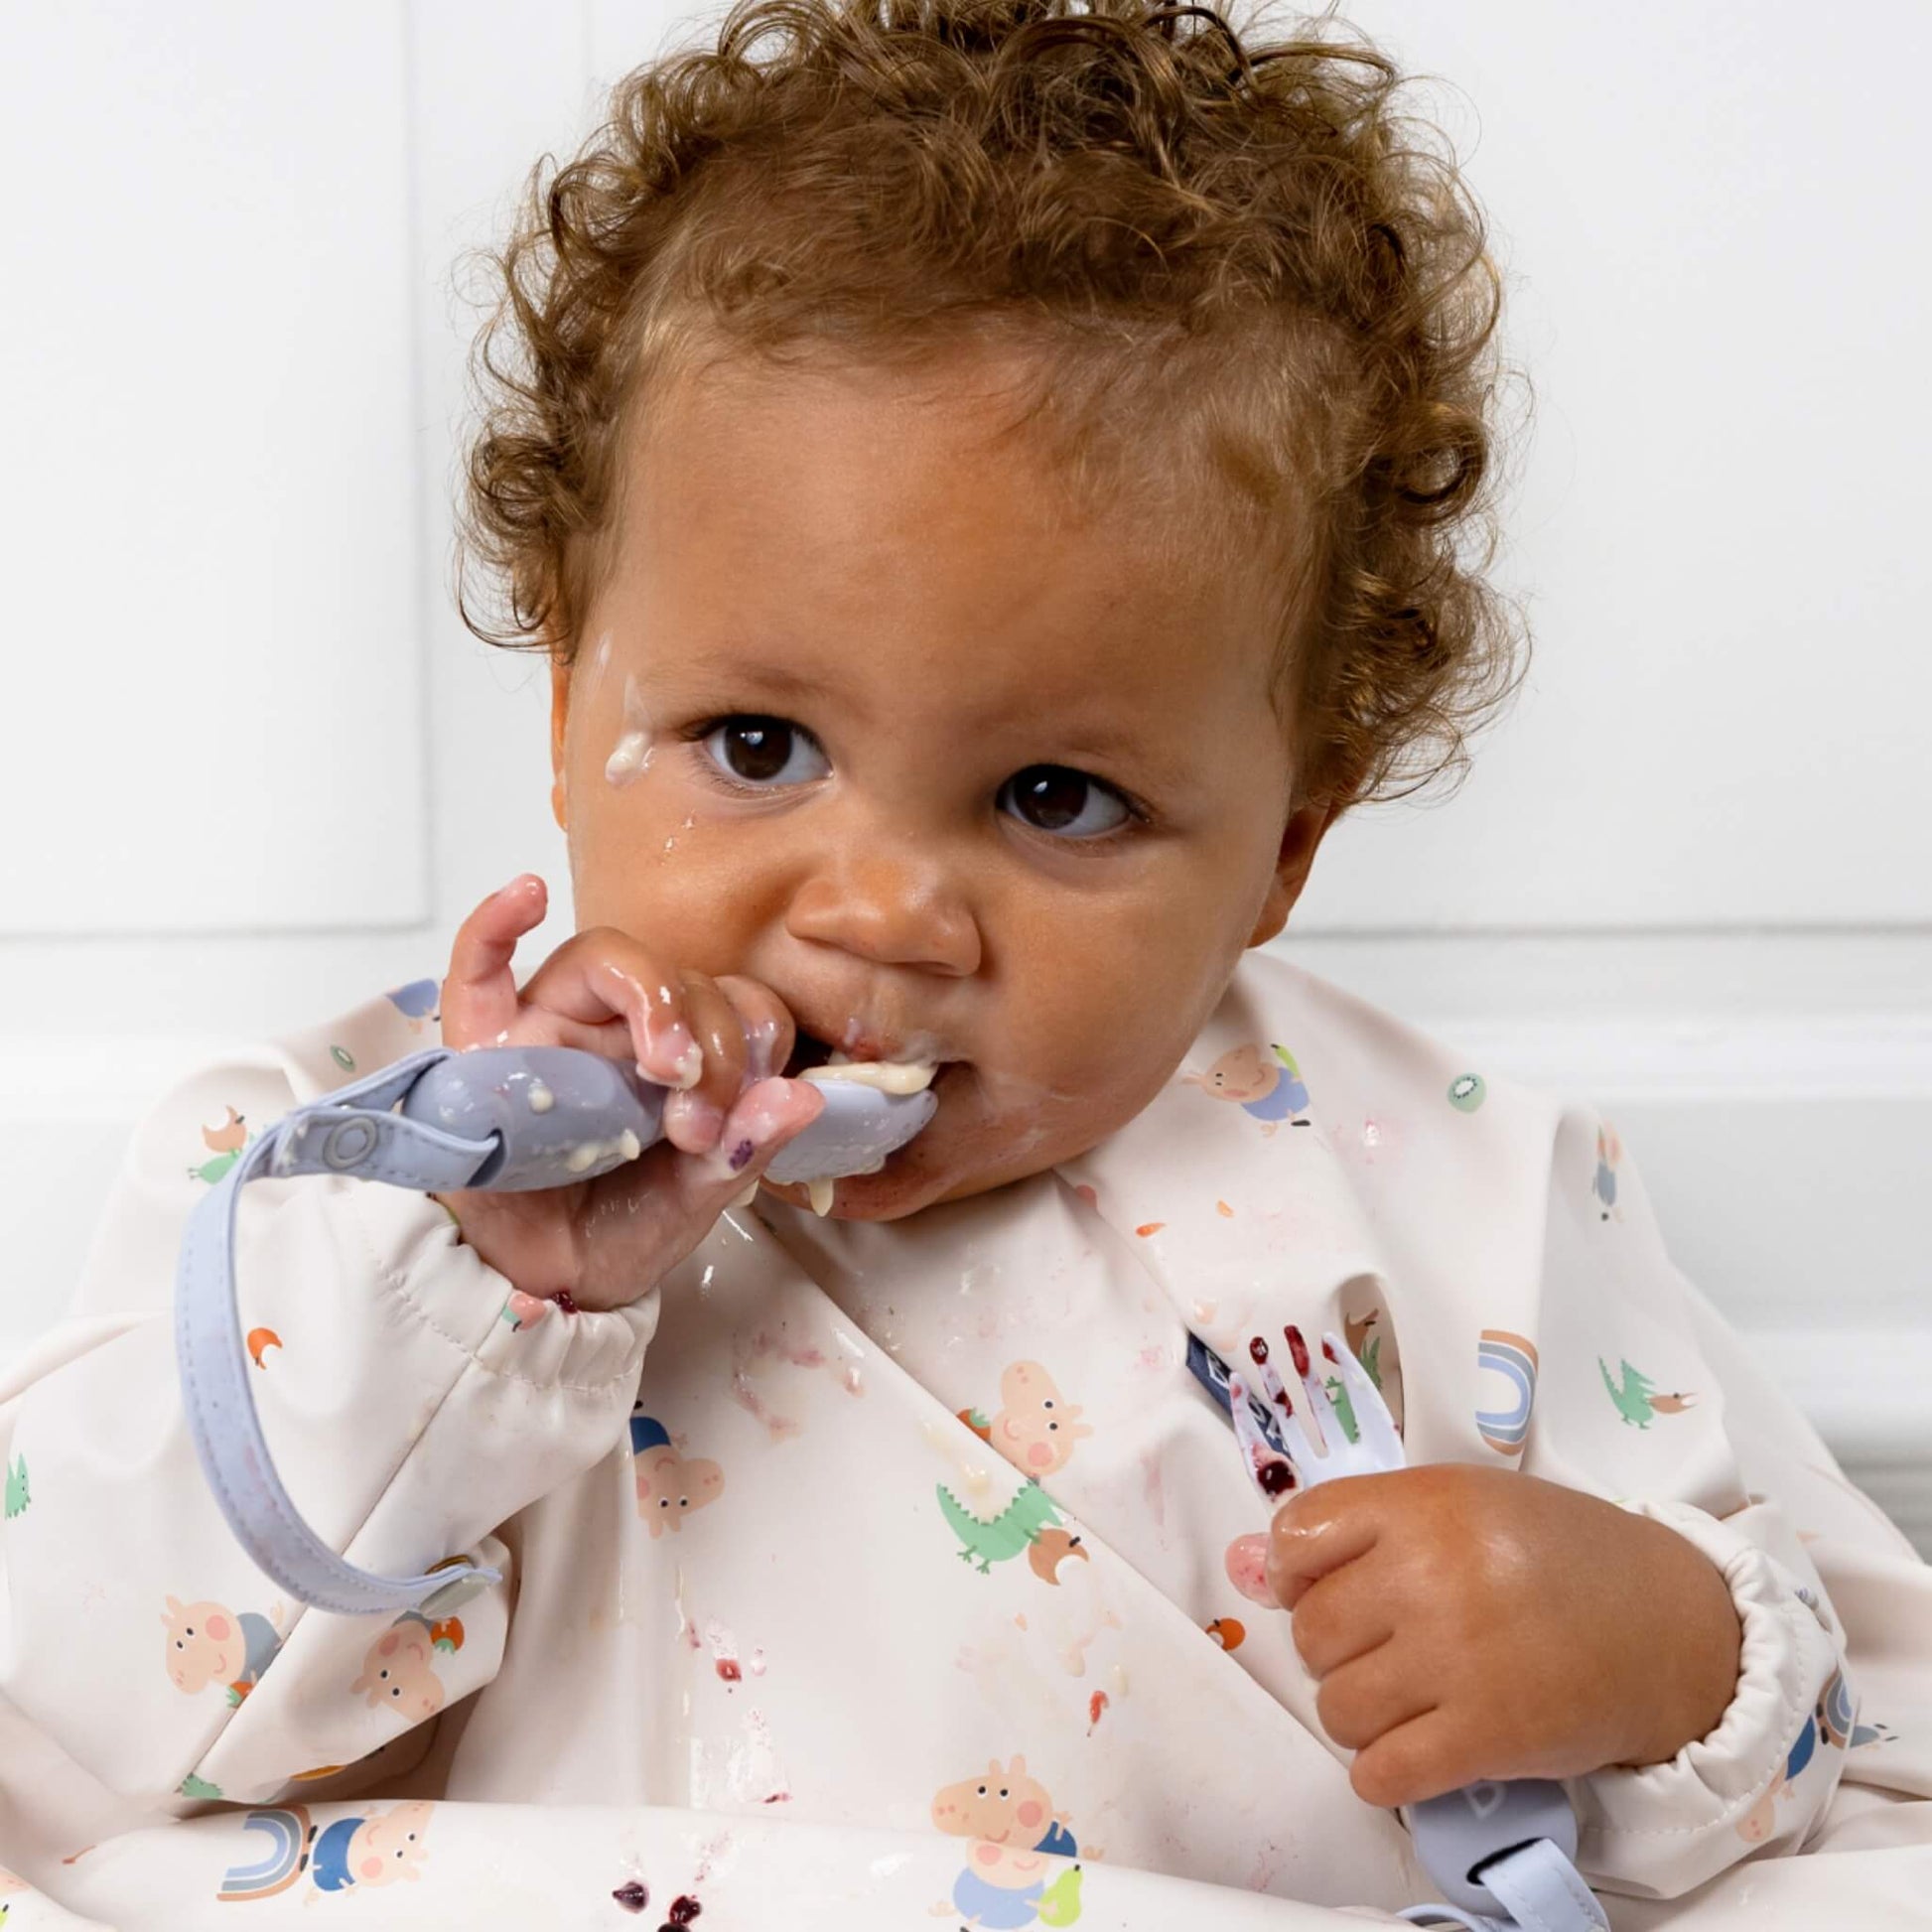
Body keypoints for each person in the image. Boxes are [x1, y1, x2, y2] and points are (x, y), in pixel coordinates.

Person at [2, 2, 1926, 1923]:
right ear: (575, 682)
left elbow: (1866, 1751)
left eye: (1055, 795)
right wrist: (466, 1291)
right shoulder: (350, 1181)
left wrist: (1663, 1655)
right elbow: (72, 1700)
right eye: (758, 747)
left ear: (1281, 845)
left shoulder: (1457, 1202)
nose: (883, 914)